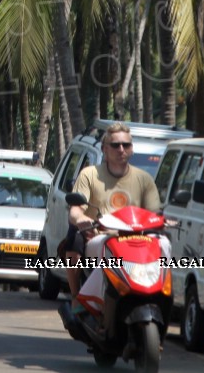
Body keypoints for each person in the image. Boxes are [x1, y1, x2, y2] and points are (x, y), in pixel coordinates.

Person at [63, 123, 162, 300]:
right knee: (74, 240)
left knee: (163, 245)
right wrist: (81, 219)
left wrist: (164, 222)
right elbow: (75, 210)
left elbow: (155, 214)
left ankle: (159, 295)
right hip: (98, 237)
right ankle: (77, 298)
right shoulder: (89, 174)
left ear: (132, 149)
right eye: (116, 145)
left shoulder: (144, 179)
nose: (121, 149)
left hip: (136, 240)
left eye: (126, 145)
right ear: (105, 149)